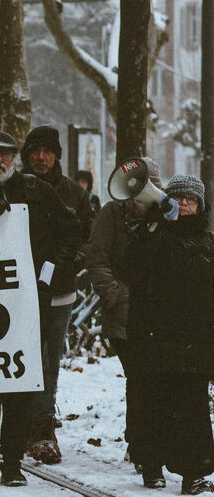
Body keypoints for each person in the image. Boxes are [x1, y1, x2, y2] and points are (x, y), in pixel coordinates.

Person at [0, 131, 82, 486]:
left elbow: (72, 230)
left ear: (15, 160)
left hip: (28, 307)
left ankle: (12, 461)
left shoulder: (37, 191)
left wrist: (49, 272)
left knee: (20, 386)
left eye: (5, 155)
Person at [119, 175, 214, 495]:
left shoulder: (209, 243)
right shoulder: (150, 233)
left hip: (194, 339)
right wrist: (154, 226)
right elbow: (129, 270)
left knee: (192, 407)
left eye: (191, 199)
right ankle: (151, 465)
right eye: (178, 198)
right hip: (153, 335)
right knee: (152, 402)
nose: (184, 203)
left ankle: (194, 473)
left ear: (201, 205)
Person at [19, 125, 93, 464]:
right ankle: (18, 424)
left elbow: (88, 239)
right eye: (35, 150)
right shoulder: (15, 188)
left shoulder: (75, 194)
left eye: (47, 151)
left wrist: (67, 266)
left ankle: (42, 427)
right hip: (17, 290)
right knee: (22, 356)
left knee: (49, 360)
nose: (40, 157)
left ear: (57, 156)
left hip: (58, 292)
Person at [86, 158, 160, 478]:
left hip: (157, 313)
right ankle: (141, 444)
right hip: (124, 313)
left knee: (148, 378)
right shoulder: (112, 214)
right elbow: (97, 257)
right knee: (139, 377)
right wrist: (115, 294)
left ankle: (144, 443)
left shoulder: (165, 214)